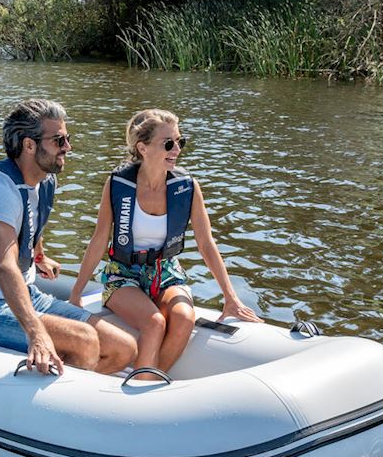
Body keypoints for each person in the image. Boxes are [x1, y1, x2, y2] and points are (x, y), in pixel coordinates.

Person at [69, 109, 261, 380]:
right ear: (143, 148)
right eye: (168, 143)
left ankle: (147, 381)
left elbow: (206, 244)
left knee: (183, 318)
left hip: (167, 272)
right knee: (154, 323)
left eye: (180, 142)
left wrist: (230, 298)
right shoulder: (118, 184)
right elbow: (99, 239)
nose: (177, 150)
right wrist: (76, 293)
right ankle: (139, 391)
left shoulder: (187, 187)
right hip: (123, 274)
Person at [0, 99, 137, 377]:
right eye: (59, 140)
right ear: (29, 145)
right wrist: (35, 332)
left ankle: (80, 392)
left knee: (125, 348)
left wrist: (38, 254)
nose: (67, 147)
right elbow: (5, 265)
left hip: (29, 294)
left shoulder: (45, 180)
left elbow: (30, 222)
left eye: (67, 138)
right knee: (84, 340)